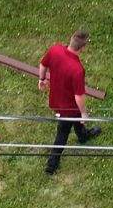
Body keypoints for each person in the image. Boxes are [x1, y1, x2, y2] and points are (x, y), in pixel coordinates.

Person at [40, 28, 100, 174]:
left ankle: (83, 136)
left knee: (77, 121)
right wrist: (84, 113)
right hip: (68, 108)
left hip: (56, 99)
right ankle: (51, 165)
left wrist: (42, 79)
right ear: (83, 48)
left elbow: (43, 64)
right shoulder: (77, 69)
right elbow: (78, 96)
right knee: (62, 133)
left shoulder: (55, 49)